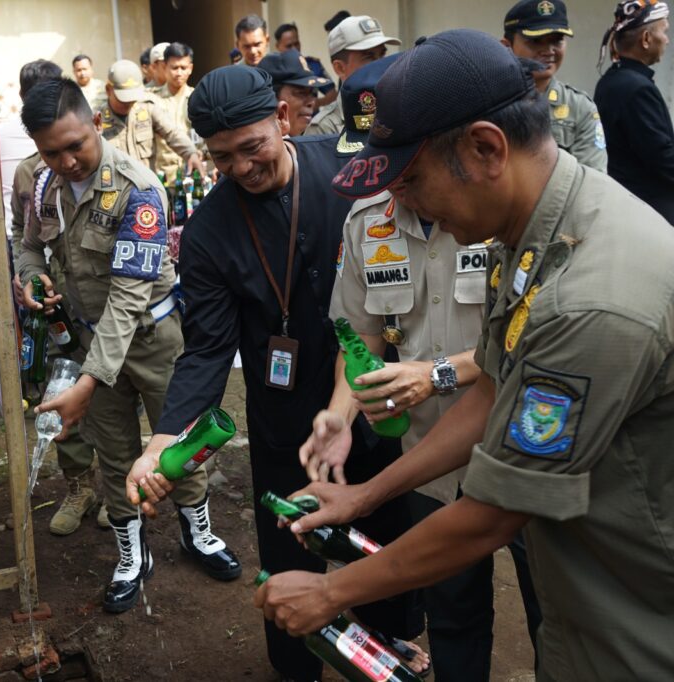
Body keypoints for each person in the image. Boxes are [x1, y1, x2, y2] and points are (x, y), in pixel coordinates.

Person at [256, 29, 674, 681]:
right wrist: (365, 495)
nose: (404, 204)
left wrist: (332, 592)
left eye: (412, 181)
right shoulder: (536, 230)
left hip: (632, 615)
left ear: (485, 148)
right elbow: (493, 391)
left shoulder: (587, 297)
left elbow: (490, 515)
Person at [125, 66, 424, 682]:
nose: (240, 168)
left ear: (283, 119)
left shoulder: (348, 171)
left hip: (371, 390)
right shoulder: (208, 232)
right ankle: (295, 664)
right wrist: (162, 441)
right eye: (222, 157)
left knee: (385, 526)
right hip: (283, 411)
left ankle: (390, 638)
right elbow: (207, 350)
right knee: (290, 542)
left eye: (252, 147)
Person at [321, 52, 543, 682]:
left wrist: (436, 373)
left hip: (515, 443)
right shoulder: (368, 220)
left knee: (548, 606)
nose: (391, 186)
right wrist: (339, 416)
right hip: (427, 456)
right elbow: (359, 334)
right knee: (452, 610)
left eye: (404, 171)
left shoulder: (505, 214)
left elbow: (527, 345)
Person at [17, 78, 240, 613]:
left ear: (96, 123)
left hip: (152, 340)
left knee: (179, 445)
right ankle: (132, 554)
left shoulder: (137, 189)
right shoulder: (44, 187)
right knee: (114, 453)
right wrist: (30, 278)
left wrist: (88, 381)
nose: (67, 161)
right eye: (51, 152)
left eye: (76, 145)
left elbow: (127, 298)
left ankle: (197, 533)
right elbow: (27, 247)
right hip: (89, 341)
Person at [7, 61, 109, 535]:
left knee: (114, 402)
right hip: (59, 313)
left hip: (107, 311)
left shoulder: (100, 160)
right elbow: (22, 235)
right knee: (60, 394)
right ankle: (79, 486)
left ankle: (118, 489)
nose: (64, 159)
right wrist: (29, 276)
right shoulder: (31, 174)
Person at [501, 0, 607, 171]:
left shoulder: (579, 108)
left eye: (557, 41)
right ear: (507, 47)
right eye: (536, 41)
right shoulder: (489, 101)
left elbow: (593, 178)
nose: (549, 51)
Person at [595, 0, 674, 223]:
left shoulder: (611, 80)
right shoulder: (637, 88)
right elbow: (662, 159)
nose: (667, 40)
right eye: (664, 32)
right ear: (646, 39)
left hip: (626, 206)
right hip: (651, 213)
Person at [98, 59, 205, 179]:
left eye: (133, 98)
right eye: (123, 100)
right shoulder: (97, 120)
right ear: (108, 90)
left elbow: (172, 133)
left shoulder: (147, 107)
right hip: (117, 187)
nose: (129, 104)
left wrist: (191, 153)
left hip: (146, 184)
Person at [305, 15, 400, 137]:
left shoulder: (399, 111)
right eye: (369, 57)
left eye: (382, 55)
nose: (381, 64)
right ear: (340, 68)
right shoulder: (324, 128)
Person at [154, 42, 201, 182]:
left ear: (190, 68)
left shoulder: (199, 98)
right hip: (163, 177)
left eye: (183, 68)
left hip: (194, 176)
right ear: (164, 67)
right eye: (174, 68)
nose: (179, 73)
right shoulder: (152, 100)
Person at [257, 49, 331, 136]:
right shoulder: (256, 142)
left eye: (313, 93)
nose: (311, 102)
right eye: (301, 93)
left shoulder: (312, 138)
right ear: (272, 98)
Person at [273, 22, 336, 107]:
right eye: (289, 46)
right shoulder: (272, 70)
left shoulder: (313, 65)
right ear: (278, 46)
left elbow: (333, 94)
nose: (294, 49)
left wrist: (317, 103)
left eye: (296, 44)